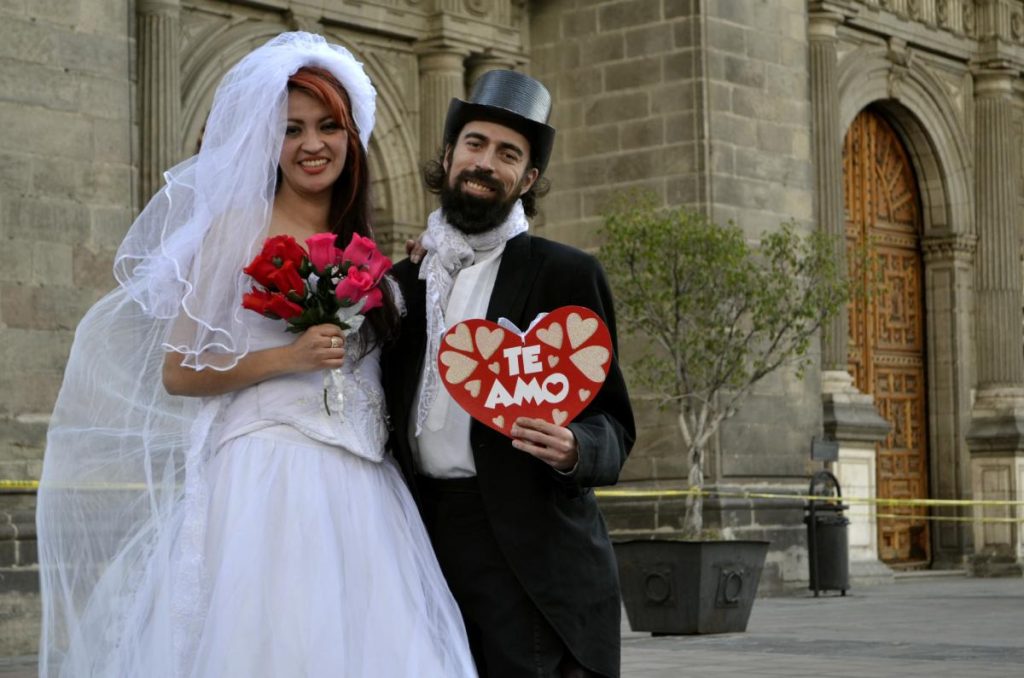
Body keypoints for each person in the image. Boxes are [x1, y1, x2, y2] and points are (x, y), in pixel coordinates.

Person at [36, 32, 476, 678]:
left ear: (352, 138)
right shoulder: (235, 231)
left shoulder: (366, 250)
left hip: (365, 490)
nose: (311, 145)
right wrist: (286, 359)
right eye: (291, 129)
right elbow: (178, 371)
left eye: (327, 126)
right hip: (268, 479)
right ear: (267, 142)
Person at [382, 70, 636, 678]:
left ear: (528, 180)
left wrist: (578, 447)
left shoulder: (566, 274)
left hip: (528, 553)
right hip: (415, 540)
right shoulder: (400, 283)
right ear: (447, 157)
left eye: (508, 154)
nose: (485, 163)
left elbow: (614, 422)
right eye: (474, 144)